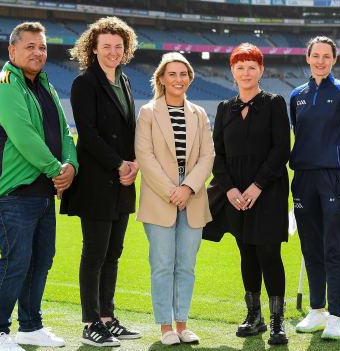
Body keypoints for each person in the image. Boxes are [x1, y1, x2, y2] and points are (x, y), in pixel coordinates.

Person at [0, 22, 77, 351]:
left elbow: (64, 132)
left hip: (42, 192)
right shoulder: (4, 85)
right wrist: (55, 169)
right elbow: (24, 137)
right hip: (9, 193)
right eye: (30, 46)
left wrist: (71, 167)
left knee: (41, 259)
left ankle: (31, 326)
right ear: (13, 51)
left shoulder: (45, 86)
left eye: (43, 47)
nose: (38, 52)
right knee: (16, 259)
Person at [59, 16, 141, 347]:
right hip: (97, 180)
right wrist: (119, 164)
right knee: (95, 252)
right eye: (105, 46)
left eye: (118, 47)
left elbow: (129, 131)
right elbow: (89, 136)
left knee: (114, 252)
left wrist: (134, 163)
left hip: (123, 179)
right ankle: (91, 322)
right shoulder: (84, 84)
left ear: (125, 50)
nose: (112, 52)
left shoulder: (126, 82)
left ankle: (108, 317)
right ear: (93, 49)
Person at [203, 43, 290, 345]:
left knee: (268, 252)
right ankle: (254, 316)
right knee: (247, 253)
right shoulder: (224, 108)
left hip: (268, 191)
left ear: (261, 70)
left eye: (252, 66)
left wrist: (257, 186)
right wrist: (228, 188)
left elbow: (281, 150)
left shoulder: (275, 103)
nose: (246, 72)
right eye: (240, 67)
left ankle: (278, 320)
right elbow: (218, 154)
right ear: (232, 72)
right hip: (235, 195)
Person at [135, 52, 214, 346]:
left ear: (190, 79)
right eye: (172, 74)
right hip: (160, 196)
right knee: (162, 264)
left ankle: (182, 324)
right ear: (162, 79)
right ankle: (165, 326)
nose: (178, 79)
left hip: (193, 196)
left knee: (186, 265)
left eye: (183, 74)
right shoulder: (148, 112)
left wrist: (189, 187)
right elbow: (145, 155)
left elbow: (208, 155)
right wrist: (171, 189)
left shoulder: (200, 114)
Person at [289, 36, 340, 339]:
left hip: (335, 177)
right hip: (303, 177)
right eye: (315, 55)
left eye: (326, 56)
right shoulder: (296, 95)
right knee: (310, 246)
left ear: (334, 60)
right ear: (307, 58)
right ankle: (316, 310)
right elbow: (297, 130)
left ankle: (335, 315)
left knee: (334, 247)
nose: (320, 61)